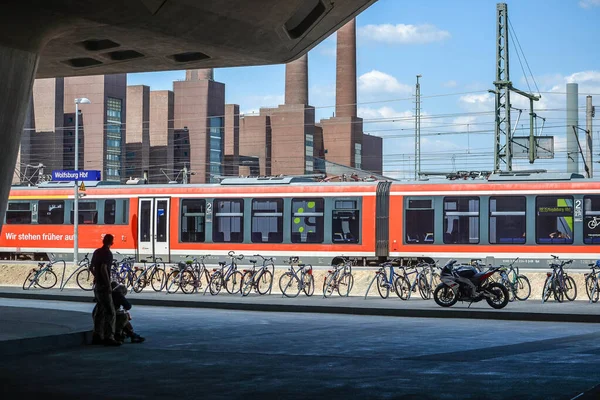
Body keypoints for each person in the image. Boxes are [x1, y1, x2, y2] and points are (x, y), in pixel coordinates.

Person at [90, 234, 120, 346]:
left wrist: (96, 277)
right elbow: (103, 268)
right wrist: (108, 285)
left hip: (97, 285)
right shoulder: (108, 253)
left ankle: (97, 335)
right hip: (103, 286)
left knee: (99, 311)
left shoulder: (96, 252)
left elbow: (91, 267)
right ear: (111, 242)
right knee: (110, 312)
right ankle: (109, 337)